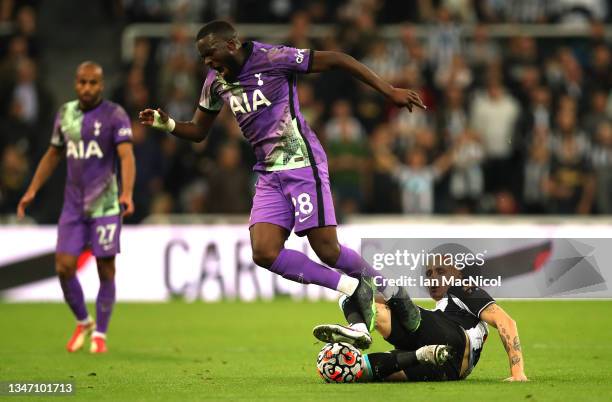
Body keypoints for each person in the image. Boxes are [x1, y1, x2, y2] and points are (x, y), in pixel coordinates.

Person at [139, 20, 426, 345]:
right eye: (202, 57)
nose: (206, 61)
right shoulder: (215, 82)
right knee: (264, 251)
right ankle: (352, 288)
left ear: (231, 44)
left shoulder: (273, 58)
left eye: (209, 53)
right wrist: (168, 124)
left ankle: (394, 293)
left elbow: (337, 59)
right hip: (268, 174)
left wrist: (389, 91)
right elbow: (199, 131)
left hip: (302, 163)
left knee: (327, 250)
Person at [17, 61, 135, 354]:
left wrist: (128, 193)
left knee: (105, 269)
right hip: (73, 207)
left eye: (93, 82)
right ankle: (84, 321)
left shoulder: (114, 115)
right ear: (75, 83)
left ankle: (101, 336)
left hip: (105, 206)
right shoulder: (65, 114)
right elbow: (53, 153)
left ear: (101, 84)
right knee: (63, 267)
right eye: (82, 82)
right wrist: (32, 189)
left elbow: (126, 156)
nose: (87, 88)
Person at [314, 245, 528, 382]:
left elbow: (505, 321)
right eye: (429, 274)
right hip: (444, 368)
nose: (433, 277)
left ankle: (362, 326)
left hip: (453, 337)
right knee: (359, 370)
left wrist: (517, 372)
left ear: (457, 273)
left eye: (441, 272)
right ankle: (409, 351)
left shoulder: (463, 288)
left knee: (353, 295)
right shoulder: (443, 308)